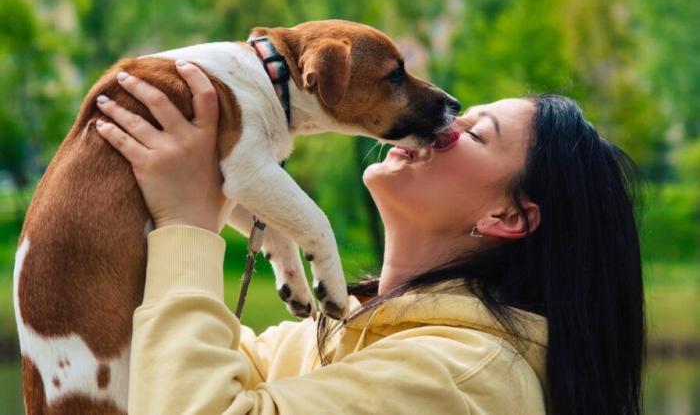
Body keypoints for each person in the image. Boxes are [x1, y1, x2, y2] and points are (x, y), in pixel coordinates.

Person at [95, 60, 645, 415]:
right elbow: (149, 367)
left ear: (509, 216)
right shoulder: (319, 339)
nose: (444, 126)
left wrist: (187, 224)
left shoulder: (461, 379)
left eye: (474, 134)